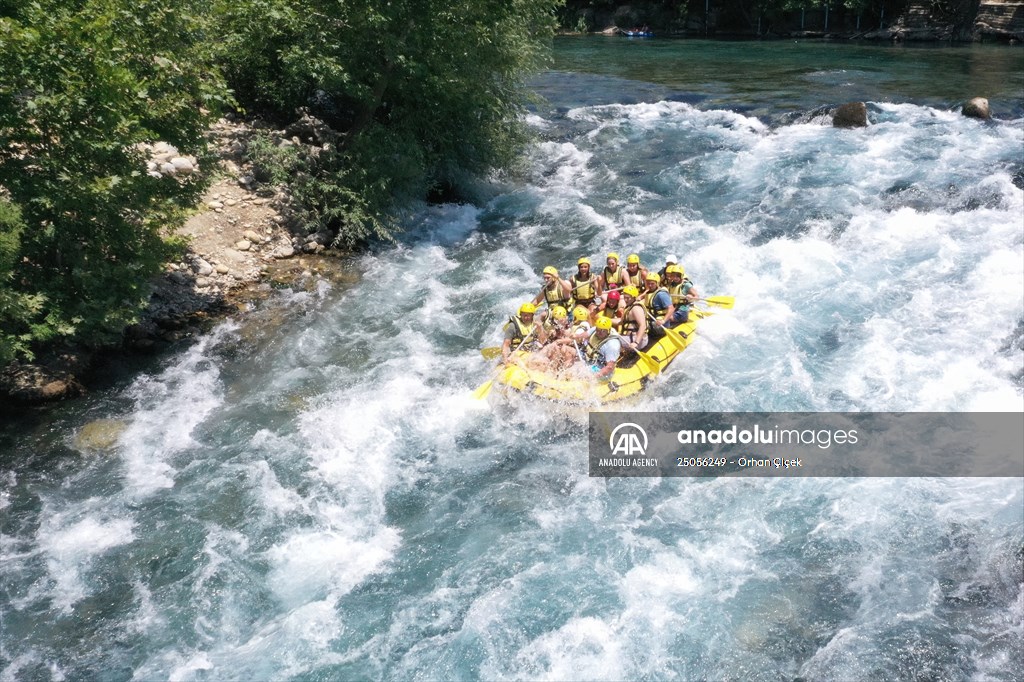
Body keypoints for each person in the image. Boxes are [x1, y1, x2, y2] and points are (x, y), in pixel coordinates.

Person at [617, 285, 648, 351]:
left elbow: (643, 325)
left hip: (637, 340)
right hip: (629, 338)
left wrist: (636, 342)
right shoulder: (629, 307)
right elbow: (621, 322)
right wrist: (609, 320)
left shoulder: (636, 308)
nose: (625, 300)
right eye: (624, 297)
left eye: (628, 298)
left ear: (634, 297)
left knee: (614, 341)